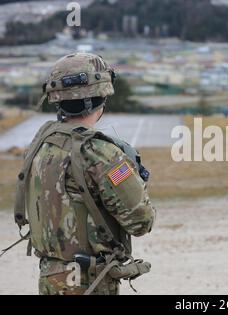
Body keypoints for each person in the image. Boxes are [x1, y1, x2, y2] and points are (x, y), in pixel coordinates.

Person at [13, 52, 156, 295]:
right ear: (100, 97)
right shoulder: (100, 153)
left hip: (51, 278)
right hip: (89, 281)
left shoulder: (41, 144)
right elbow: (141, 221)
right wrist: (136, 178)